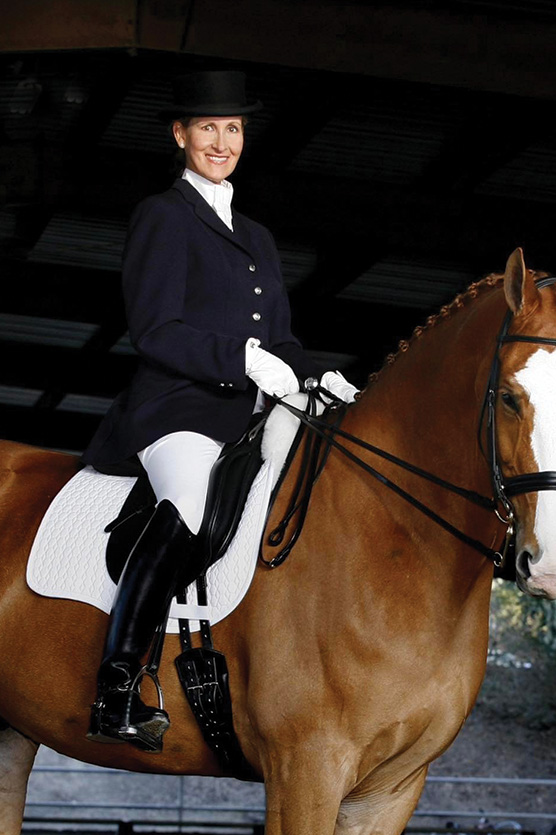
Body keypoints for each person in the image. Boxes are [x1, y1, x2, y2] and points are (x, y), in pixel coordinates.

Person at [82, 69, 358, 752]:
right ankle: (116, 688)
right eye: (207, 128)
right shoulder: (164, 215)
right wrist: (240, 357)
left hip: (252, 409)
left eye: (232, 129)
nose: (221, 141)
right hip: (176, 406)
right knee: (192, 503)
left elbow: (283, 340)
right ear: (180, 135)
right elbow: (155, 329)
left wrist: (321, 374)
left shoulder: (258, 236)